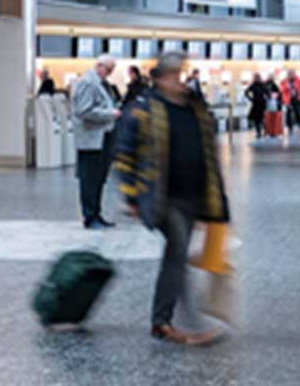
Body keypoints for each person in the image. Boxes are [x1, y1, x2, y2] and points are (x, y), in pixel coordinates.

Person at [112, 52, 229, 348]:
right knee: (177, 252)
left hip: (193, 194)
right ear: (160, 78)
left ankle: (166, 320)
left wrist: (214, 198)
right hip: (163, 197)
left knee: (176, 255)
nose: (180, 80)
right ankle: (171, 323)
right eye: (174, 75)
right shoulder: (143, 110)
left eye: (182, 73)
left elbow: (208, 149)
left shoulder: (194, 106)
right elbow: (124, 153)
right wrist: (131, 194)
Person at [68, 54, 121, 230]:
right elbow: (84, 111)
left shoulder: (100, 83)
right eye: (108, 70)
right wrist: (110, 114)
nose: (109, 74)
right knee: (90, 180)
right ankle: (90, 217)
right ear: (99, 66)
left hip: (101, 138)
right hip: (91, 140)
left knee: (98, 179)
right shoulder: (87, 82)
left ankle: (97, 214)